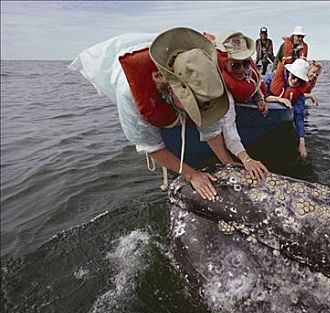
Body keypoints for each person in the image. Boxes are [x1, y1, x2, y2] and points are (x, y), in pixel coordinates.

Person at [69, 27, 268, 201]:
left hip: (162, 53)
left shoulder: (203, 71)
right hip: (108, 61)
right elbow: (150, 146)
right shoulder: (127, 91)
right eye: (192, 105)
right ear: (171, 89)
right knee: (146, 122)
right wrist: (191, 174)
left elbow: (211, 130)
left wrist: (229, 163)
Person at [214, 30, 268, 116]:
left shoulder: (250, 72)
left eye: (246, 63)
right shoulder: (212, 73)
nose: (242, 69)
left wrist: (259, 98)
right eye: (235, 65)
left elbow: (254, 83)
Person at [264, 58, 311, 157]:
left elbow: (299, 116)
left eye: (300, 80)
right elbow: (261, 92)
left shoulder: (299, 94)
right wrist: (278, 99)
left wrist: (301, 142)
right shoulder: (272, 77)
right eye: (294, 77)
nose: (295, 81)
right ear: (289, 72)